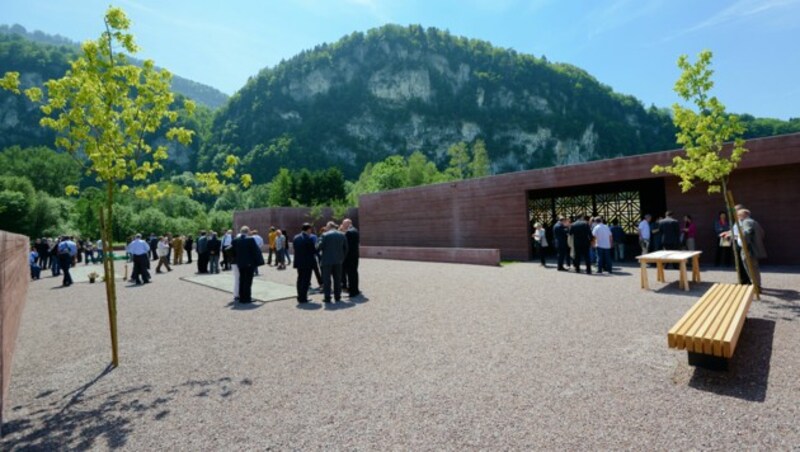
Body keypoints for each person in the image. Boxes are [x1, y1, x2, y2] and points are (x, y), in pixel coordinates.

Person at [727, 209, 766, 288]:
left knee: (750, 268)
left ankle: (755, 286)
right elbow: (762, 234)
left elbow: (746, 234)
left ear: (743, 215)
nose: (737, 217)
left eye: (738, 215)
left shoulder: (746, 222)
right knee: (754, 268)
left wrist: (742, 242)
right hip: (753, 248)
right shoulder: (754, 222)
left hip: (748, 249)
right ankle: (757, 285)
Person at [231, 226, 264, 304]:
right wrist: (258, 262)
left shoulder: (235, 240)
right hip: (249, 263)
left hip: (240, 263)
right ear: (248, 231)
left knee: (241, 280)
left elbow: (233, 252)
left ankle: (241, 297)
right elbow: (256, 251)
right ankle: (247, 298)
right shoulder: (250, 239)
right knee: (248, 281)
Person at [317, 221, 348, 303]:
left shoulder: (324, 235)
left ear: (329, 226)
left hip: (326, 261)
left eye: (326, 226)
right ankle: (338, 296)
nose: (326, 228)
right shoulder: (342, 235)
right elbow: (346, 248)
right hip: (338, 261)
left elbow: (318, 247)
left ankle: (327, 297)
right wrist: (342, 258)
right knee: (337, 279)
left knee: (327, 280)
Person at [293, 223, 317, 303]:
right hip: (307, 263)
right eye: (311, 229)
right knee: (306, 280)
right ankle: (303, 297)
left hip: (299, 262)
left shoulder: (296, 237)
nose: (311, 231)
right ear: (308, 229)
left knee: (300, 279)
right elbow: (313, 251)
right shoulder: (308, 239)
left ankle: (299, 296)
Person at [341, 218, 360, 297]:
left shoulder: (349, 232)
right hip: (355, 255)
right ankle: (355, 289)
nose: (342, 226)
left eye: (344, 224)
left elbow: (345, 245)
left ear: (348, 224)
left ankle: (352, 291)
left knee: (350, 274)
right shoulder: (355, 230)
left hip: (349, 257)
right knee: (354, 273)